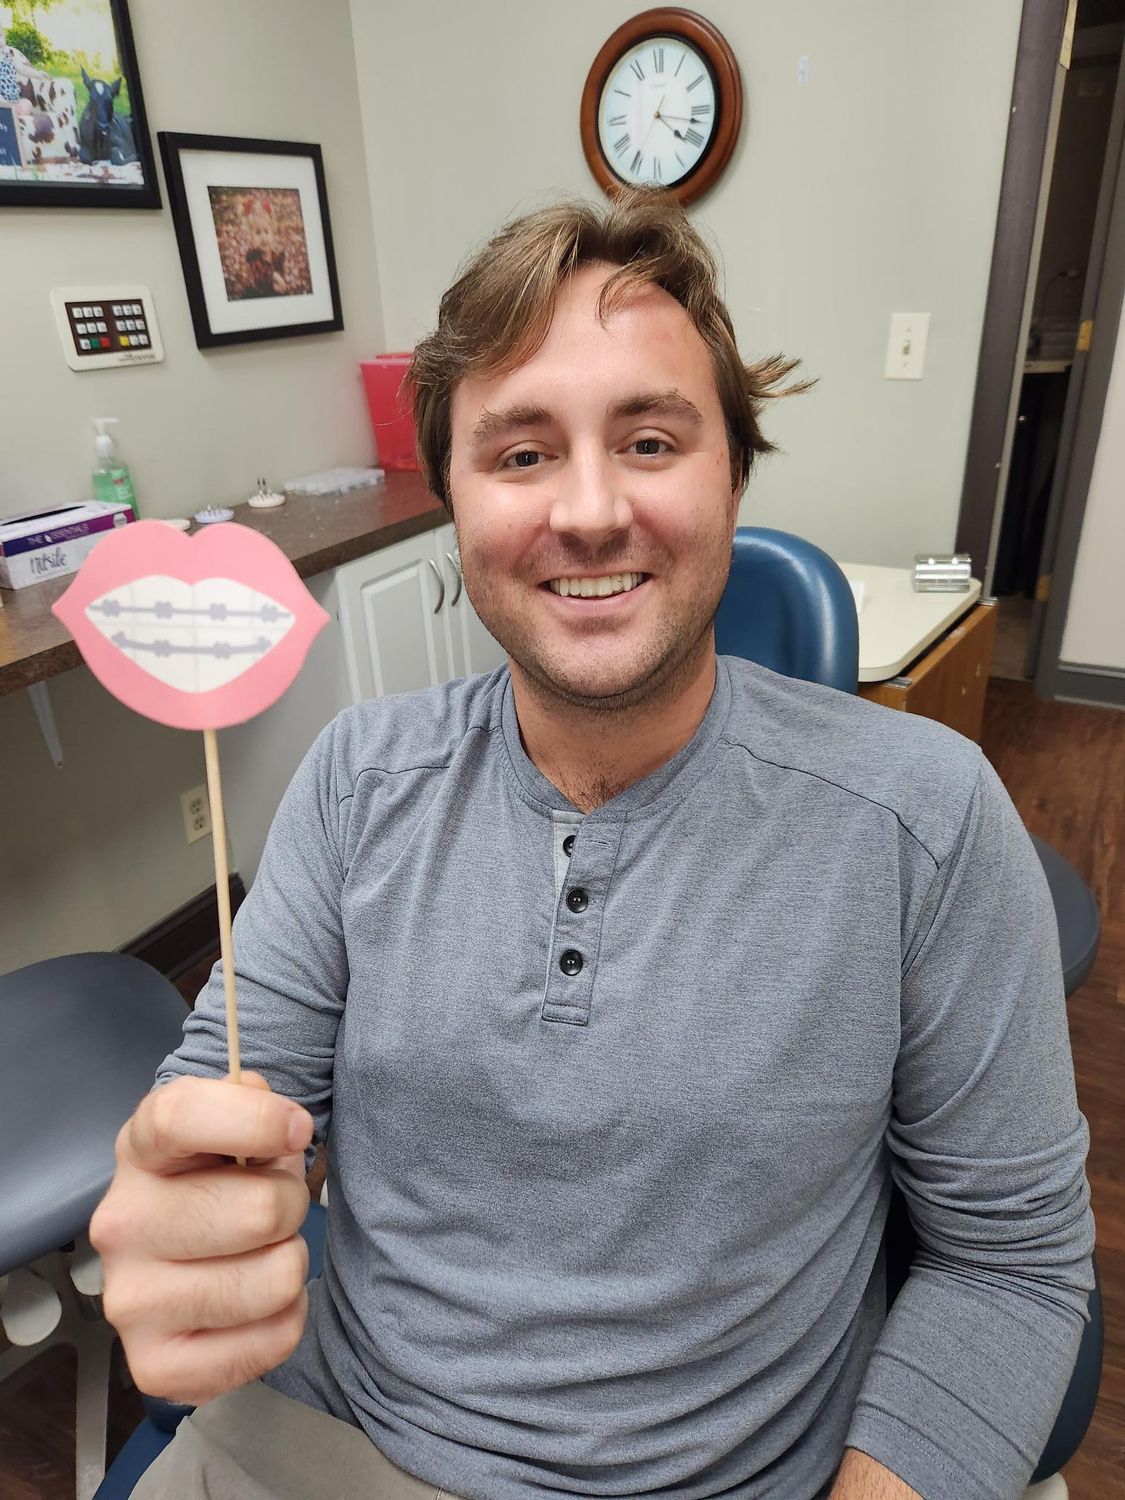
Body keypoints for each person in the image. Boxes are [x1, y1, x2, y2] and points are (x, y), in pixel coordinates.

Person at [92, 190, 1094, 1500]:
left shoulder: (925, 816)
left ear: (733, 471)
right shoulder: (353, 781)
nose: (586, 509)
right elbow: (226, 1105)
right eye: (517, 454)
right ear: (447, 502)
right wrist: (181, 1223)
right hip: (332, 1449)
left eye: (650, 438)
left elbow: (1008, 1268)